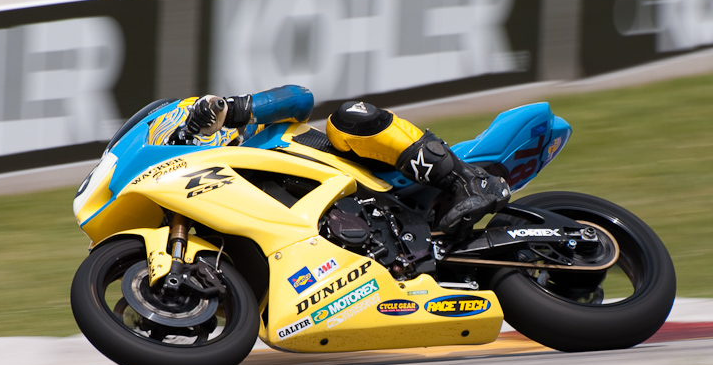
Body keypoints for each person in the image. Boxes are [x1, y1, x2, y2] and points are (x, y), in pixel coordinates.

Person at [174, 85, 510, 236]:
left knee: (347, 117)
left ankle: (468, 180)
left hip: (371, 176)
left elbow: (299, 97)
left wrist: (234, 109)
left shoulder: (254, 134)